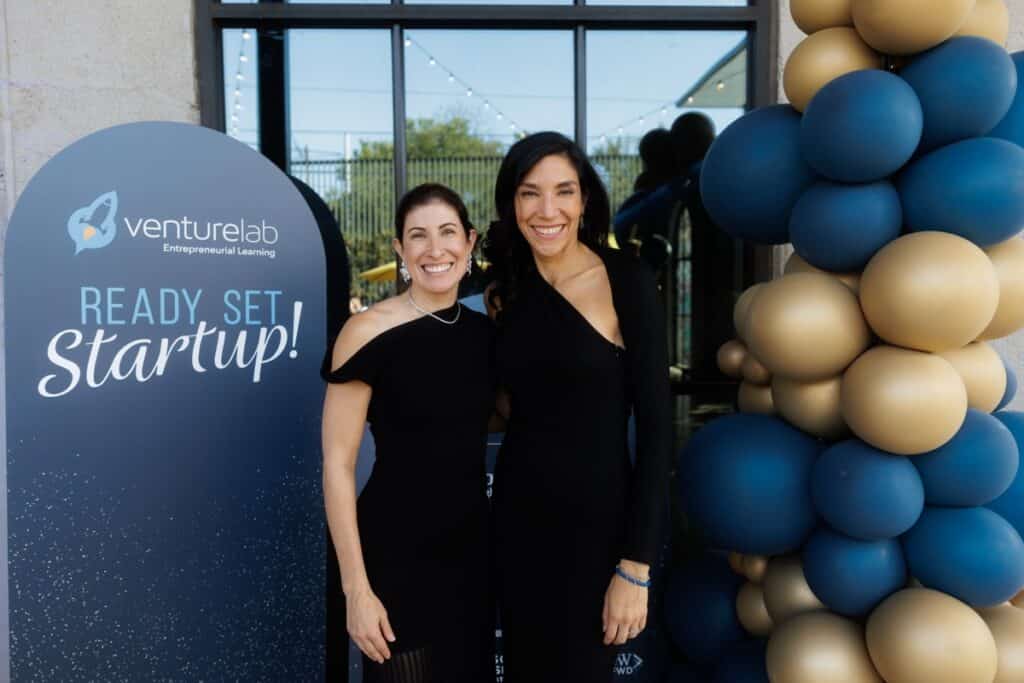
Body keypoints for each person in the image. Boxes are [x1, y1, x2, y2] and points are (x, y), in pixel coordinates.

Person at [482, 132, 672, 682]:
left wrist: (635, 566)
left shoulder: (626, 281)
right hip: (517, 526)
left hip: (599, 535)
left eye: (563, 191)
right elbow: (509, 403)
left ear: (585, 199)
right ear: (511, 202)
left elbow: (657, 431)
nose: (548, 210)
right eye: (530, 193)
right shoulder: (503, 291)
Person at [321, 183, 495, 683]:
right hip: (394, 555)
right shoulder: (366, 331)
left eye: (447, 233)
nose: (434, 249)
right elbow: (337, 464)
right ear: (400, 249)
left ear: (469, 241)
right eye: (418, 236)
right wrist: (356, 590)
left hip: (472, 555)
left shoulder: (486, 334)